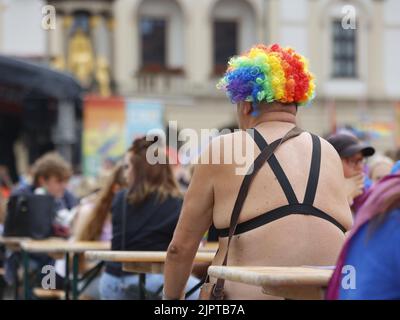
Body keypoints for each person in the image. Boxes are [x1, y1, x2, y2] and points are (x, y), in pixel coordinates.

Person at [163, 44, 353, 300]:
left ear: (245, 105)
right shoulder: (328, 152)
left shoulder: (224, 148)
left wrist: (170, 303)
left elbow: (180, 248)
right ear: (296, 102)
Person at [99, 137, 200, 300]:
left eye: (128, 167)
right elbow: (179, 249)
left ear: (138, 170)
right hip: (153, 281)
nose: (126, 172)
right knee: (212, 297)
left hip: (112, 282)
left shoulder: (120, 198)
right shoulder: (177, 203)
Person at [326, 174, 400, 300]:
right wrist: (344, 197)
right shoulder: (386, 208)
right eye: (350, 161)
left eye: (360, 161)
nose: (358, 168)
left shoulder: (379, 199)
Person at [327, 133, 375, 209]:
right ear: (331, 162)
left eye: (361, 160)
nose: (360, 167)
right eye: (352, 161)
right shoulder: (317, 197)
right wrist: (343, 198)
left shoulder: (369, 194)